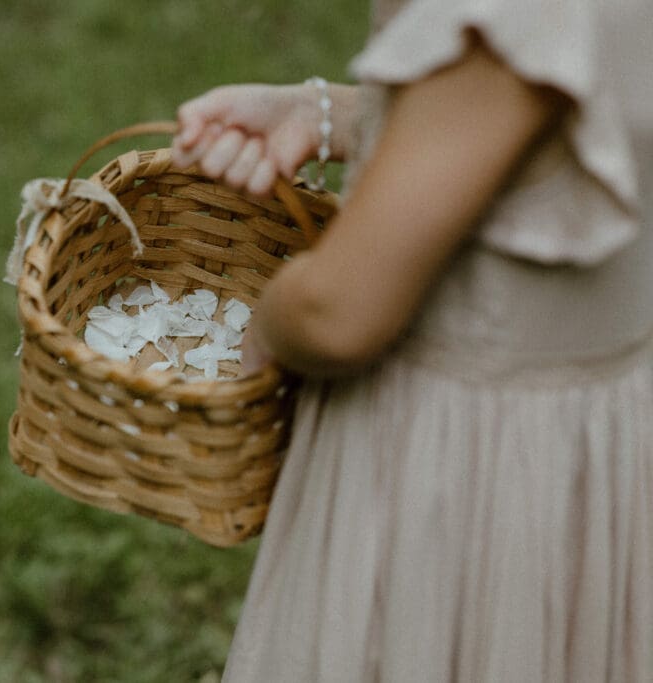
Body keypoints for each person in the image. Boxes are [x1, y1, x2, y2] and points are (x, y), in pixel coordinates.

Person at [172, 0, 652, 680]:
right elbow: (547, 112)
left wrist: (269, 320)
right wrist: (332, 114)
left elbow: (339, 312)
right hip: (590, 443)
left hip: (465, 478)